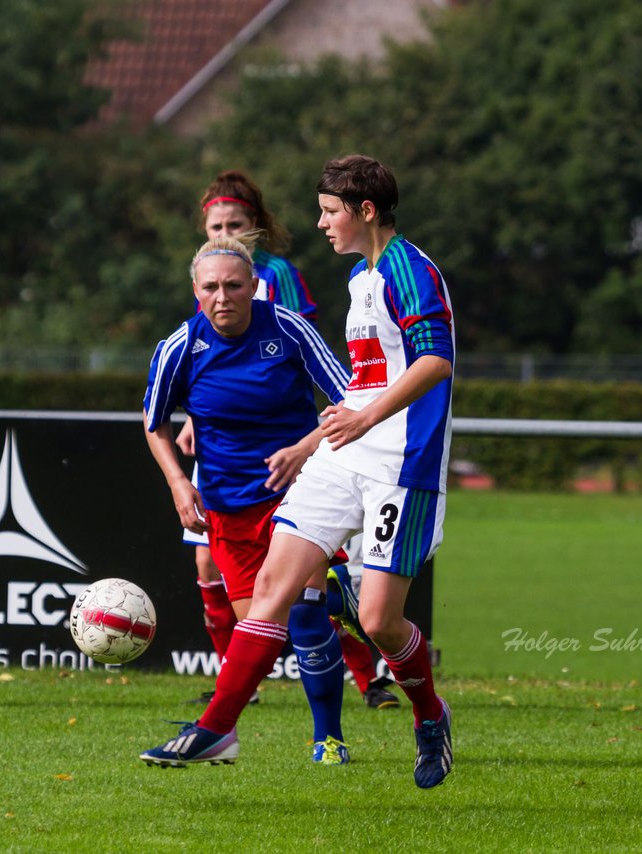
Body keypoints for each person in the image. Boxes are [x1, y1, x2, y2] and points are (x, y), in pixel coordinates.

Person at [141, 155, 456, 789]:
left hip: (403, 458)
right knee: (273, 593)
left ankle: (430, 714)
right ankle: (217, 728)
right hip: (346, 452)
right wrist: (339, 431)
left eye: (330, 211)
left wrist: (362, 420)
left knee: (377, 622)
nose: (320, 224)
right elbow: (366, 380)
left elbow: (436, 364)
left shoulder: (409, 269)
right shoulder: (363, 276)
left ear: (365, 211)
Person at [179, 170, 399, 711]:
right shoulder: (210, 274)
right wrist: (193, 413)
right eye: (216, 224)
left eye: (235, 222)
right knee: (212, 567)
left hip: (285, 438)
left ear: (255, 226)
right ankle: (237, 683)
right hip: (223, 447)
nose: (226, 231)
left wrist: (307, 438)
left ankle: (367, 680)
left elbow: (300, 352)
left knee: (311, 582)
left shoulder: (276, 277)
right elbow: (206, 356)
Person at [143, 234, 357, 764]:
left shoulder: (287, 329)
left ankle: (327, 739)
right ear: (195, 290)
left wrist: (304, 448)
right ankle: (337, 596)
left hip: (299, 496)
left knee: (303, 618)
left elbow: (352, 398)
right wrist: (177, 482)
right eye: (211, 287)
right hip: (228, 508)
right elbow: (155, 425)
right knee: (260, 631)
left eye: (234, 286)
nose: (223, 297)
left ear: (253, 287)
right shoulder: (179, 348)